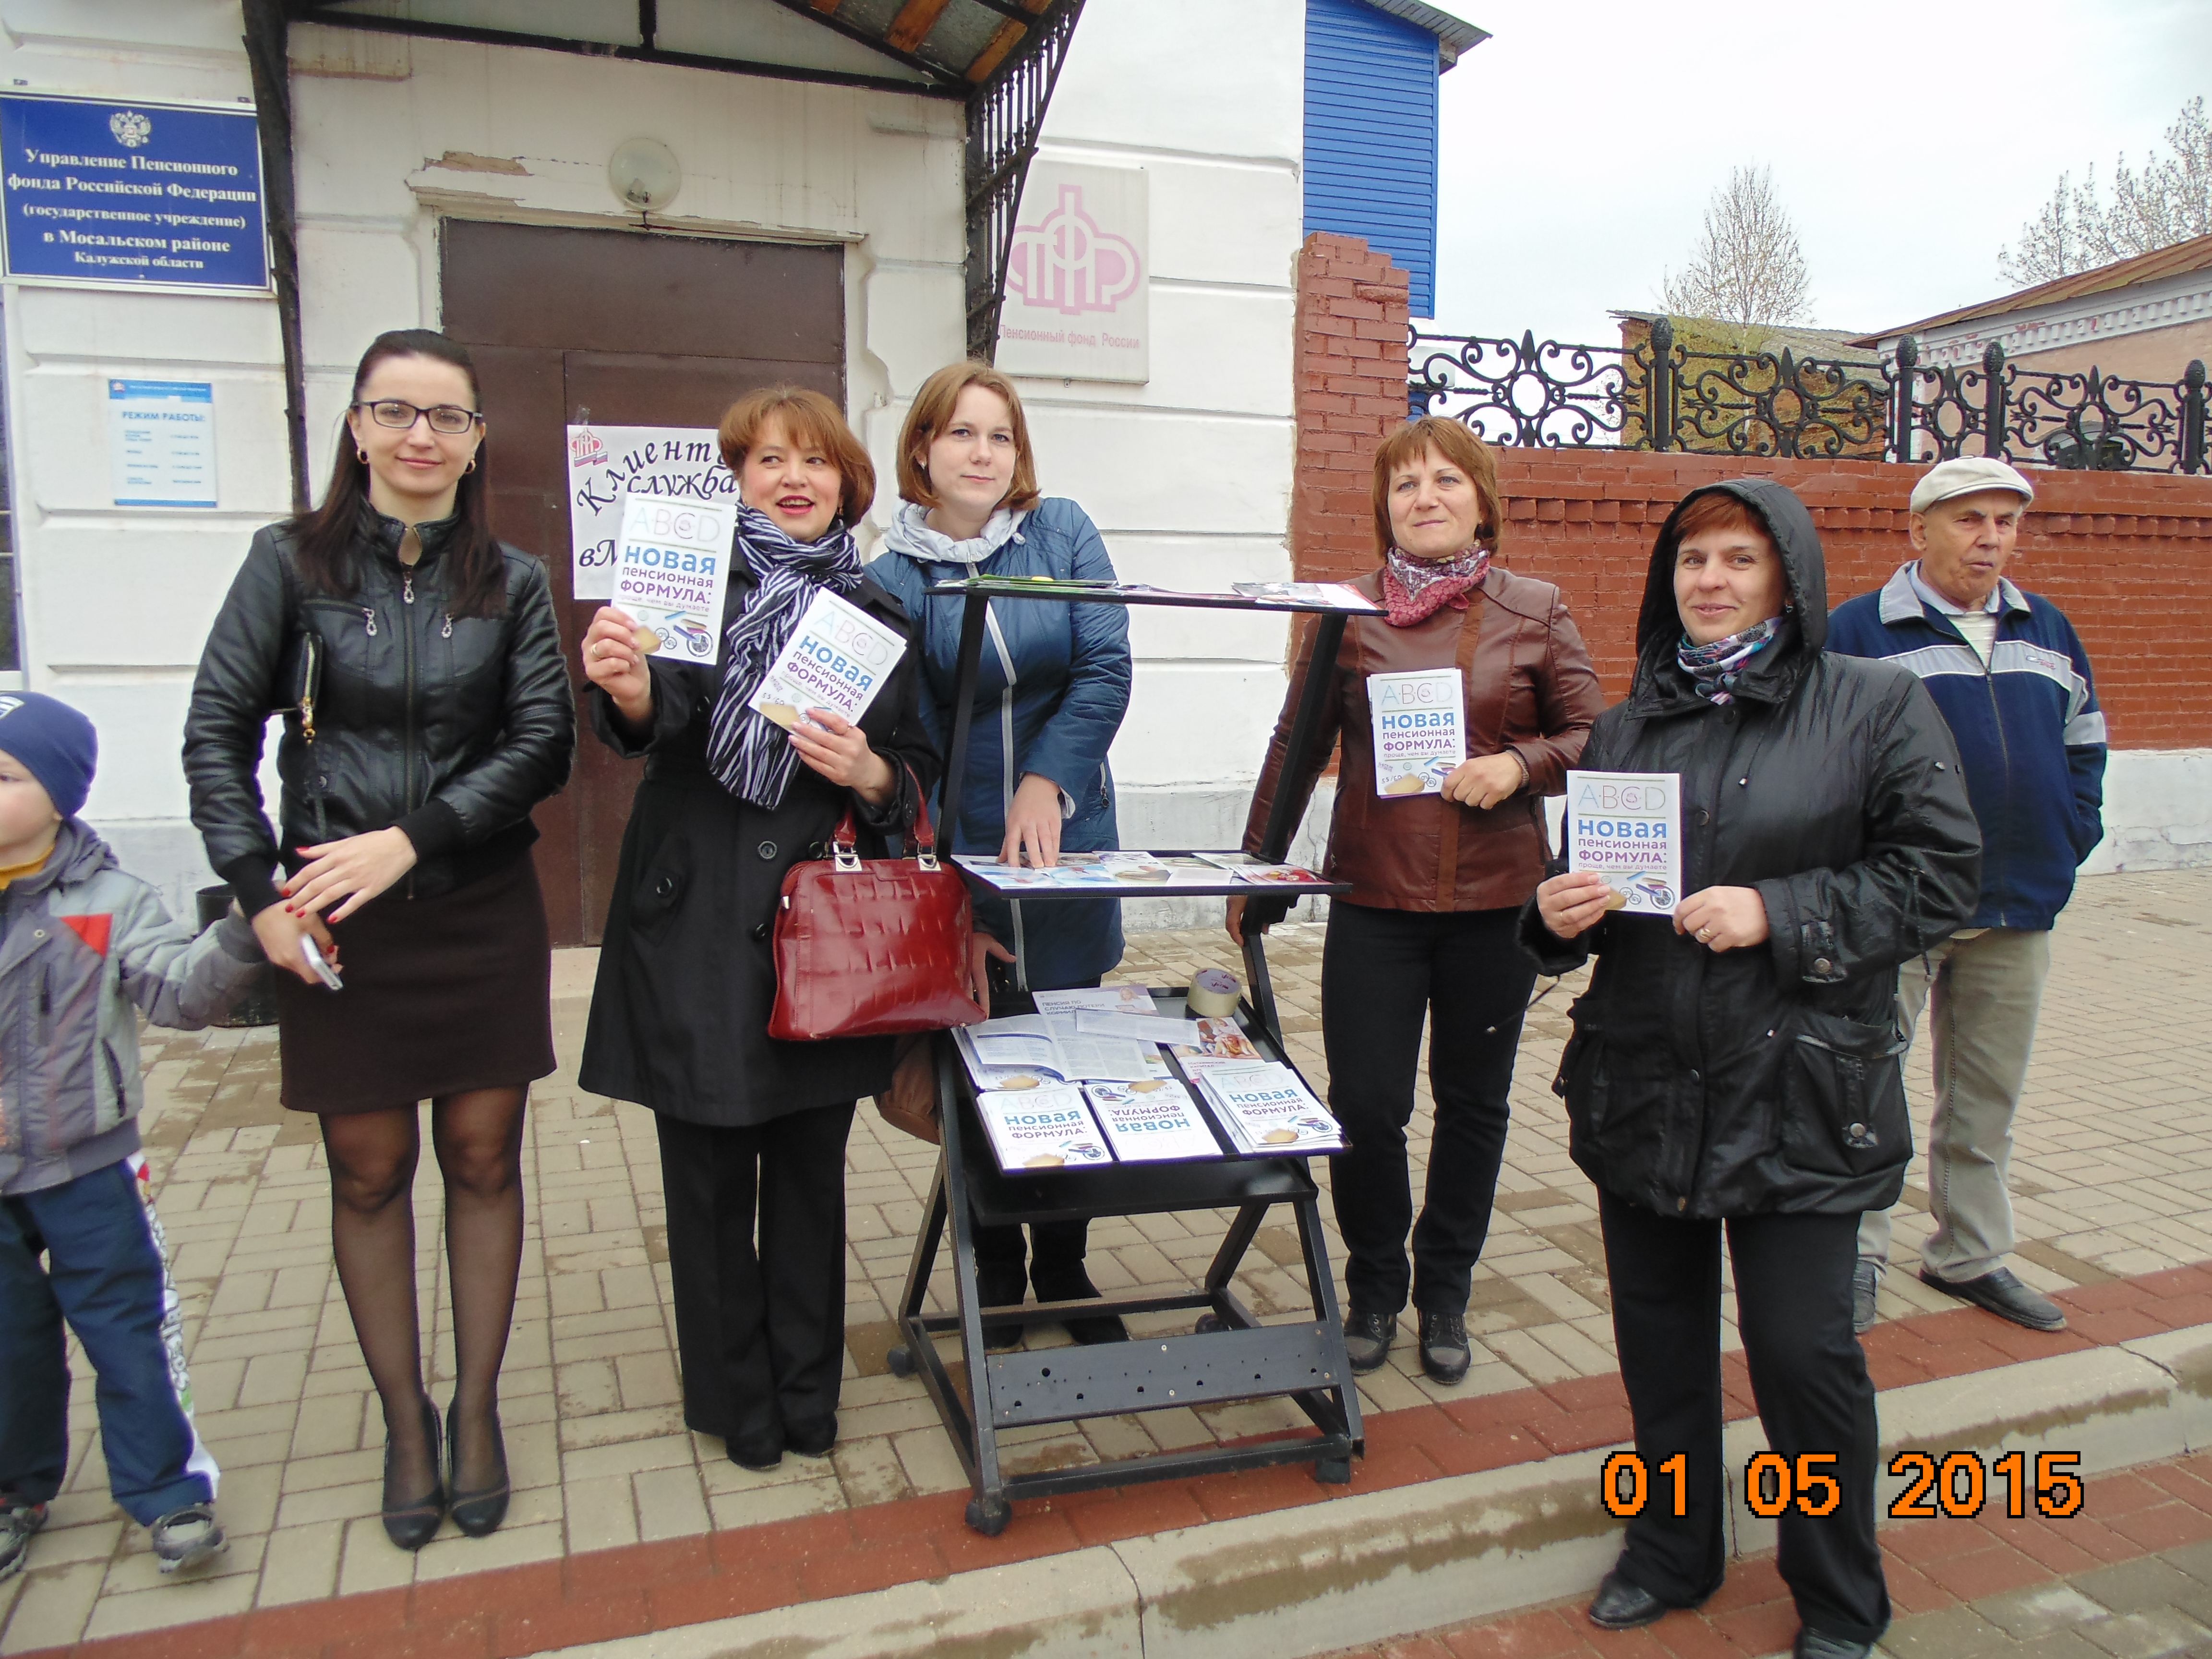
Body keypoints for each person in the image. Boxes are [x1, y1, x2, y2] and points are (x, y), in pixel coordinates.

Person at [1527, 479, 1980, 1659]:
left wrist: (1778, 911)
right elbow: (1591, 895)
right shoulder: (1629, 724)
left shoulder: (1873, 703)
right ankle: (1669, 1549)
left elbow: (1940, 876)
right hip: (1645, 1083)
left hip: (1800, 1092)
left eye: (1738, 558)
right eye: (1692, 560)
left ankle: (1839, 1596)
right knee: (1659, 1346)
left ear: (1789, 574)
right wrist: (1553, 916)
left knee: (1801, 1358)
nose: (1711, 580)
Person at [185, 329, 576, 1550]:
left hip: (474, 906)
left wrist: (414, 839)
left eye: (446, 416)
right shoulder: (288, 565)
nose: (420, 435)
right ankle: (406, 1421)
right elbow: (215, 736)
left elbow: (544, 744)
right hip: (331, 920)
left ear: (475, 440)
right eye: (395, 411)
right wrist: (258, 896)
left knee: (483, 1159)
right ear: (356, 428)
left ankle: (476, 1412)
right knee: (366, 1171)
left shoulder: (512, 581)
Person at [578, 386, 940, 1471]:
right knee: (705, 1176)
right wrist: (630, 690)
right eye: (769, 459)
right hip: (692, 915)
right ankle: (736, 1402)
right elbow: (659, 713)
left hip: (815, 932)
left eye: (814, 461)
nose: (793, 477)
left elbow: (915, 767)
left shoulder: (879, 610)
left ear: (847, 484)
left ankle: (805, 1391)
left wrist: (870, 772)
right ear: (738, 477)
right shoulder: (685, 578)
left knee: (808, 1175)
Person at [1233, 416, 1603, 1384]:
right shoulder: (1345, 612)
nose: (1425, 497)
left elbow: (1592, 734)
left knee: (1473, 1104)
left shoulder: (1535, 608)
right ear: (1384, 507)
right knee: (1366, 1104)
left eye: (1446, 480)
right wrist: (1256, 870)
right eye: (1405, 484)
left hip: (1496, 906)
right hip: (1375, 900)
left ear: (1482, 501)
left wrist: (1519, 765)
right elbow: (1297, 744)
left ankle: (1446, 1292)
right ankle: (1373, 1287)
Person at [866, 361, 1133, 1350]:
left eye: (1001, 436)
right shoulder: (893, 576)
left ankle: (1064, 1264)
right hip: (961, 850)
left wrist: (1047, 778)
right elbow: (906, 733)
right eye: (962, 433)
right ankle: (996, 1270)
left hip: (1067, 840)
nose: (983, 454)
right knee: (980, 1064)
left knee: (1071, 1060)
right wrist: (939, 870)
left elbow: (1105, 667)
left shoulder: (1061, 531)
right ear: (923, 448)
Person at [1830, 457, 2105, 1335]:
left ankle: (1971, 1255)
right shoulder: (1858, 631)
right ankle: (1853, 1256)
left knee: (1987, 1100)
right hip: (1901, 906)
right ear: (1919, 530)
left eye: (2005, 521)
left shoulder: (2047, 627)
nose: (1991, 538)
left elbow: (2084, 743)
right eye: (1969, 519)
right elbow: (1824, 764)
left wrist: (2071, 833)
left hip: (2019, 904)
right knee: (1865, 1090)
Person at [0, 695, 266, 1582]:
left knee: (127, 1333)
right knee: (7, 1343)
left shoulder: (109, 901)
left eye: (4, 775)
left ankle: (168, 1492)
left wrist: (246, 930)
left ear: (60, 795)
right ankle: (15, 1489)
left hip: (90, 1168)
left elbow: (180, 992)